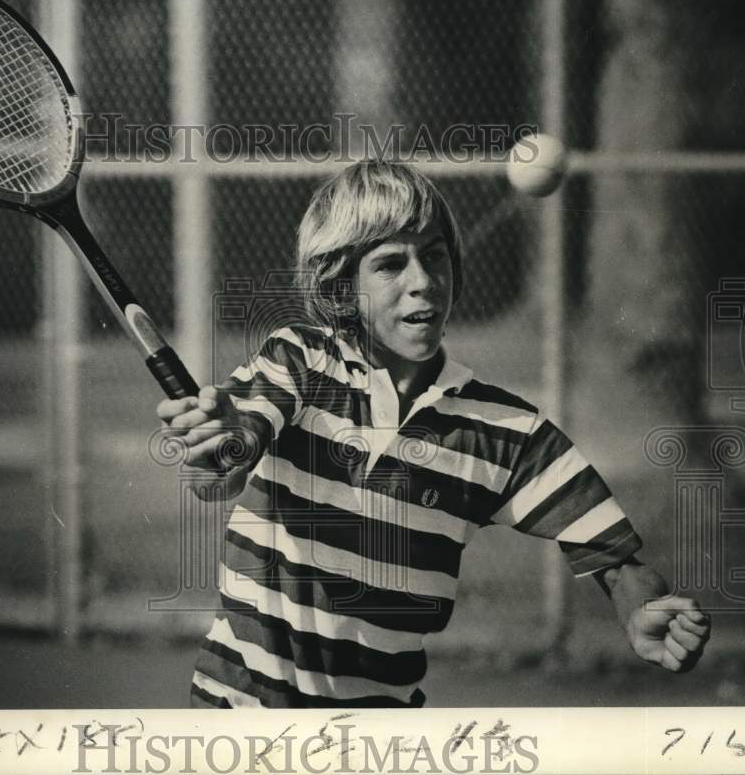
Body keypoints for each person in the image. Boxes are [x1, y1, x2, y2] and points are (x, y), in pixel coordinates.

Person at [157, 160, 711, 708]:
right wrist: (219, 445)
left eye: (435, 256)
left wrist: (643, 609)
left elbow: (616, 562)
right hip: (235, 719)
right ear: (342, 288)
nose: (422, 282)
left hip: (378, 738)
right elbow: (232, 447)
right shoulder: (298, 360)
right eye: (391, 264)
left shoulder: (504, 431)